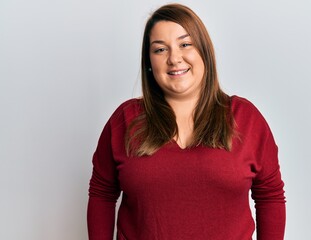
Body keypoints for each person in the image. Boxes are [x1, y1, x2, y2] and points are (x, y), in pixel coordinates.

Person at [87, 3, 286, 240]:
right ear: (149, 62)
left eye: (185, 44)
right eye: (160, 50)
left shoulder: (245, 118)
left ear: (204, 50)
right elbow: (102, 193)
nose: (174, 58)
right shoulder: (125, 121)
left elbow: (269, 195)